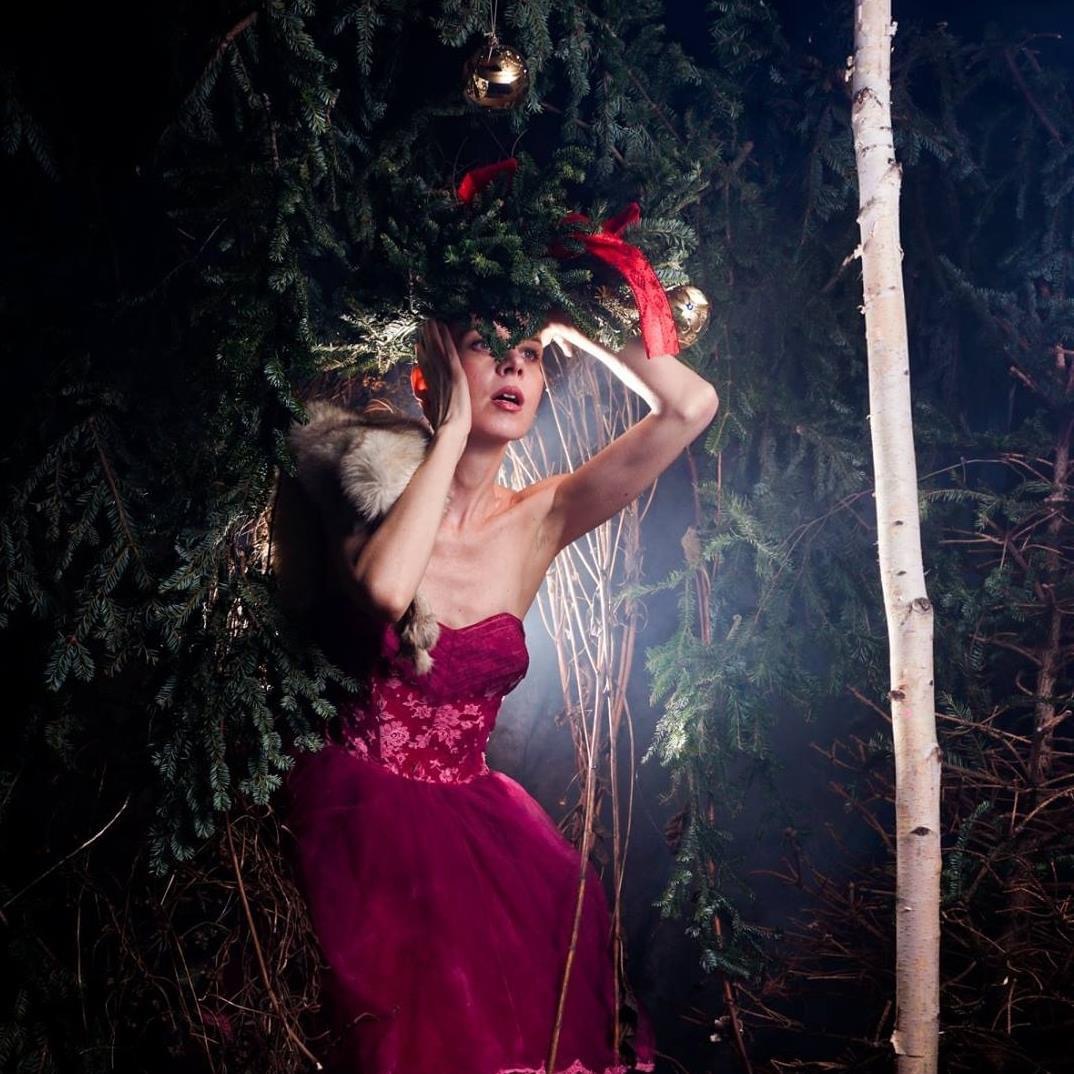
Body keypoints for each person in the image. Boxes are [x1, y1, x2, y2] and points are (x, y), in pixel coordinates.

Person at [284, 316, 719, 1074]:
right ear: (429, 375)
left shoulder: (541, 517)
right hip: (356, 824)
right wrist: (450, 430)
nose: (514, 369)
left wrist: (575, 311)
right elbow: (386, 591)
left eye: (530, 355)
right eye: (489, 348)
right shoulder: (362, 485)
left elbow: (691, 406)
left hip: (479, 836)